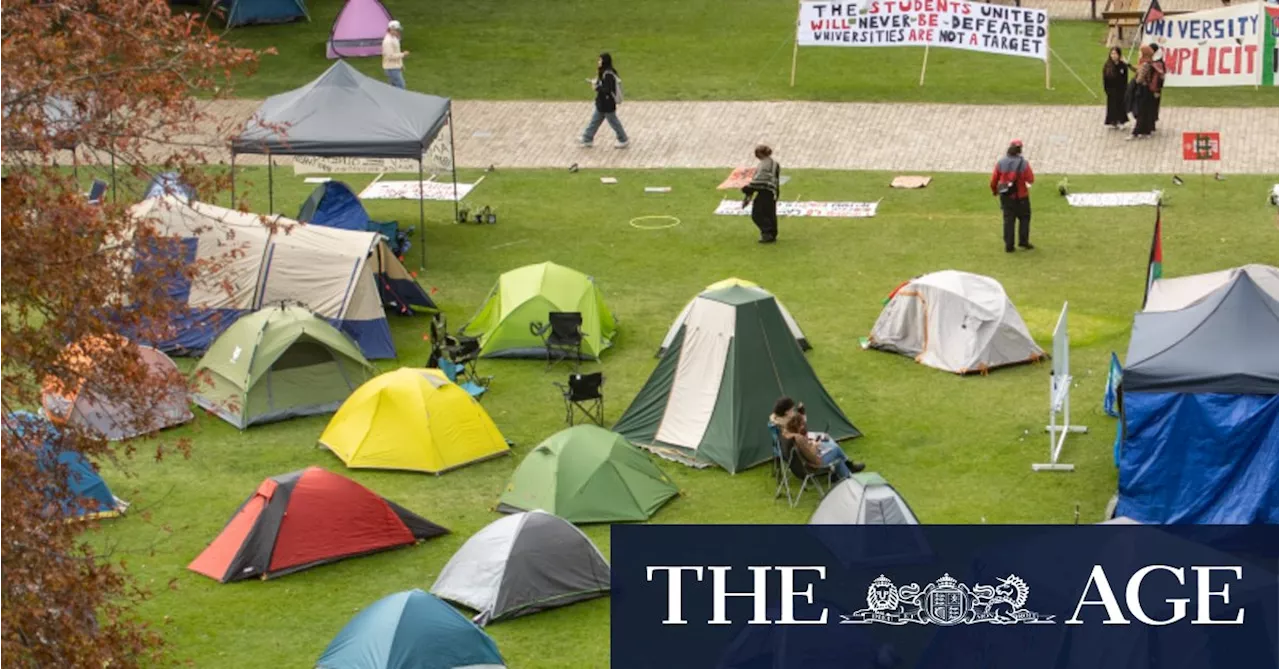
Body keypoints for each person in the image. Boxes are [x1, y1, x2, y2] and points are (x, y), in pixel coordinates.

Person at [770, 397, 865, 473]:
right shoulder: (792, 432)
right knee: (834, 449)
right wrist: (814, 445)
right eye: (792, 409)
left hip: (798, 460)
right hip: (809, 465)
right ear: (786, 412)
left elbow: (802, 441)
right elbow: (809, 451)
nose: (794, 411)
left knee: (825, 438)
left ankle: (842, 473)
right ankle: (848, 466)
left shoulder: (779, 427)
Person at [989, 139, 1035, 252]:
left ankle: (1009, 245)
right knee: (1024, 218)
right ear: (1020, 150)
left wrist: (995, 190)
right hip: (1022, 196)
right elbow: (1031, 179)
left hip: (1006, 197)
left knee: (1008, 221)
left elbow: (994, 180)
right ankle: (1023, 242)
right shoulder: (1024, 163)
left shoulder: (1001, 163)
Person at [782, 413, 855, 481]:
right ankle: (849, 468)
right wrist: (815, 445)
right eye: (802, 424)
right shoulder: (799, 439)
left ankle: (846, 478)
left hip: (802, 466)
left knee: (837, 459)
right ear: (797, 425)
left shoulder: (789, 436)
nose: (803, 426)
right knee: (836, 450)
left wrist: (810, 444)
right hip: (813, 466)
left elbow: (805, 452)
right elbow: (812, 455)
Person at [580, 53, 628, 149]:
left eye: (600, 60)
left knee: (613, 122)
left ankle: (623, 139)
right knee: (595, 120)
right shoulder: (604, 72)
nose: (598, 62)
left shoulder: (608, 74)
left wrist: (596, 87)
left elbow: (607, 89)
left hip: (607, 103)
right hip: (602, 103)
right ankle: (587, 138)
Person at [742, 145, 781, 244]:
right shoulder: (775, 164)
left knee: (757, 214)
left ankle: (767, 233)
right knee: (770, 213)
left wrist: (748, 188)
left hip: (764, 191)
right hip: (772, 192)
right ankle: (772, 234)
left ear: (760, 154)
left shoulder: (764, 165)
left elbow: (760, 180)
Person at [1102, 47, 1131, 129]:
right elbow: (1105, 79)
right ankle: (1112, 121)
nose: (1113, 56)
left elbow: (1125, 78)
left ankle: (1121, 120)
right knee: (1112, 106)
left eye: (1115, 54)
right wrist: (1107, 90)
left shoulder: (1122, 65)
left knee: (1121, 105)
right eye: (1112, 54)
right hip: (1111, 90)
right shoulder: (1107, 65)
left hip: (1121, 89)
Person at [381, 20, 409, 89]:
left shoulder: (394, 38)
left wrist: (400, 65)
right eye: (397, 30)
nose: (398, 32)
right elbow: (390, 56)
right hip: (391, 68)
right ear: (391, 29)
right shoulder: (388, 41)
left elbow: (396, 51)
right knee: (400, 87)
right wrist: (403, 54)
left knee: (394, 88)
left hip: (395, 67)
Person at [1151, 44, 1167, 128]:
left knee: (1153, 106)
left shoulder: (1159, 63)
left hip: (1155, 89)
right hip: (1151, 88)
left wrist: (1157, 90)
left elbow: (1161, 78)